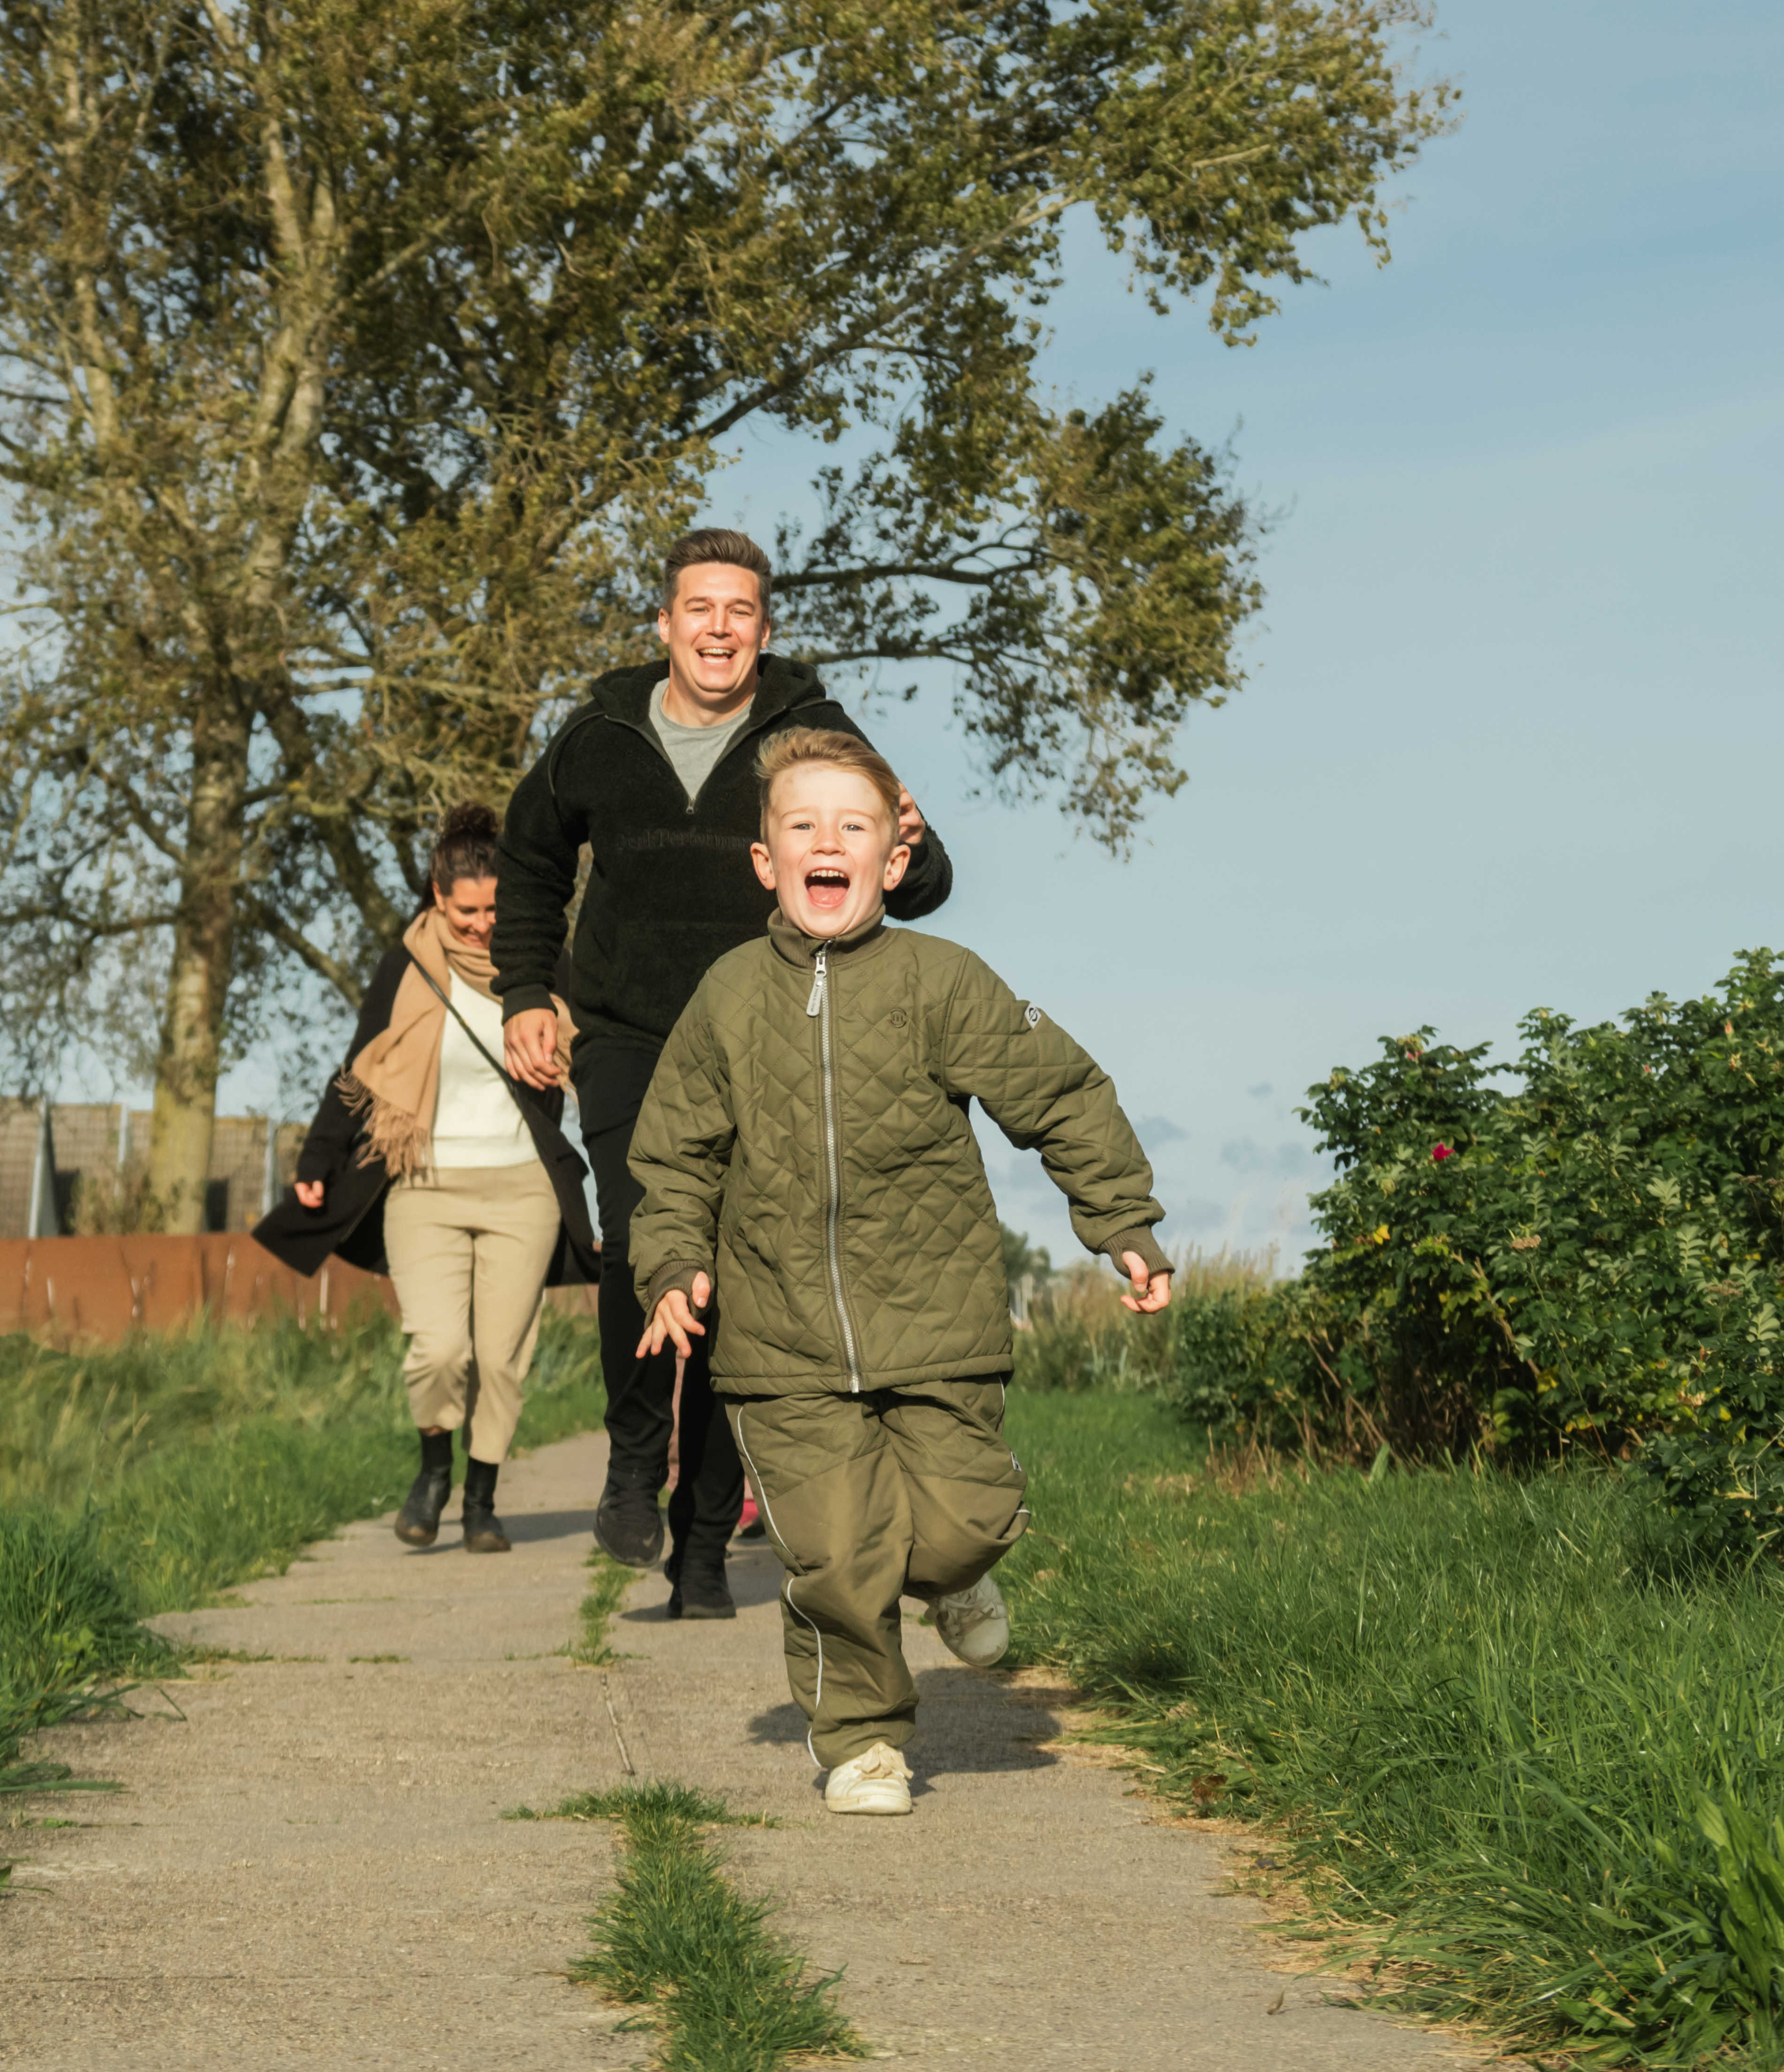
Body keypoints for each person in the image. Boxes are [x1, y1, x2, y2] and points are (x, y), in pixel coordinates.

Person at [628, 728, 1172, 1815]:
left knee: (959, 1521)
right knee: (835, 1555)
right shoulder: (728, 997)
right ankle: (862, 1742)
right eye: (802, 827)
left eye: (853, 827)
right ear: (766, 863)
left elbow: (1057, 1095)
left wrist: (1120, 1221)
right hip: (778, 1341)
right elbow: (675, 1154)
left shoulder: (941, 981)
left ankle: (959, 1577)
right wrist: (673, 1266)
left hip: (937, 1316)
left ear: (892, 859)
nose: (827, 844)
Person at [493, 528, 954, 1617]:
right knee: (644, 1229)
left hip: (767, 1039)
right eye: (698, 608)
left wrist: (919, 851)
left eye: (739, 611)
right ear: (664, 625)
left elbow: (908, 877)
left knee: (737, 1287)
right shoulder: (600, 736)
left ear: (763, 628)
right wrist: (524, 992)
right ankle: (631, 1456)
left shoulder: (811, 734)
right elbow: (529, 857)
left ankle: (702, 1543)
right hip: (624, 1031)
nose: (717, 629)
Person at [254, 805, 597, 1553]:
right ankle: (433, 1471)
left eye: (495, 910)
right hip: (424, 1184)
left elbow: (593, 1055)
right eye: (466, 911)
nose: (481, 925)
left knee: (502, 1359)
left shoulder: (544, 964)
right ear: (438, 900)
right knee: (441, 1348)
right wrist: (316, 1163)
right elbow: (360, 1068)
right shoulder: (405, 966)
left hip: (523, 1189)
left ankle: (482, 1500)